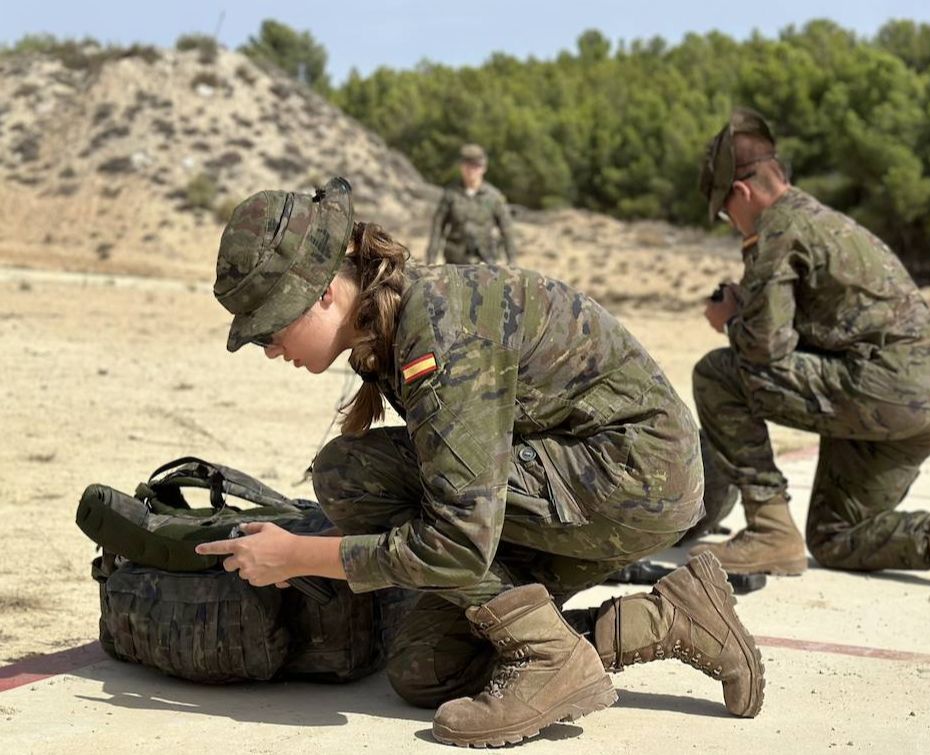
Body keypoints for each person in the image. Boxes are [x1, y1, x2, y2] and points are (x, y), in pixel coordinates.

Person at [198, 178, 764, 747]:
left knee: (348, 474)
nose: (271, 349)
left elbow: (459, 542)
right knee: (426, 670)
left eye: (271, 328)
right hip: (581, 483)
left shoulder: (435, 331)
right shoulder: (386, 327)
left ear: (323, 292)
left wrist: (299, 555)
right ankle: (670, 620)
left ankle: (547, 654)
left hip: (634, 480)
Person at [689, 108, 930, 600]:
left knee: (718, 374)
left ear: (742, 193)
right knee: (836, 538)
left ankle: (770, 528)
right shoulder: (828, 223)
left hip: (878, 392)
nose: (731, 223)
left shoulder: (779, 230)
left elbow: (764, 351)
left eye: (725, 211)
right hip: (929, 405)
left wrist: (731, 320)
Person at [425, 144, 518, 266]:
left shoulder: (494, 197)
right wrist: (431, 259)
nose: (471, 170)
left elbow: (507, 230)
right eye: (467, 166)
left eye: (476, 166)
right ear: (461, 167)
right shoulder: (450, 194)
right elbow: (438, 227)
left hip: (486, 261)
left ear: (484, 168)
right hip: (455, 262)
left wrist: (512, 261)